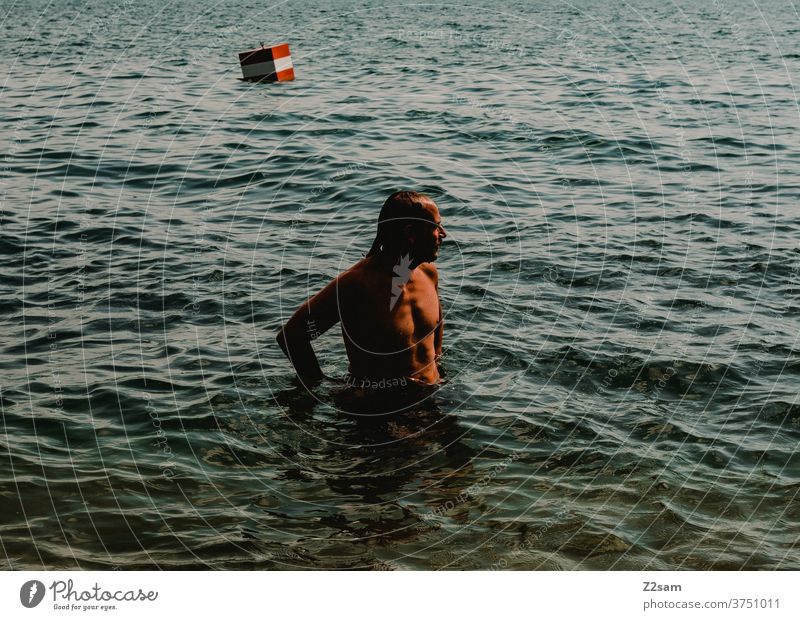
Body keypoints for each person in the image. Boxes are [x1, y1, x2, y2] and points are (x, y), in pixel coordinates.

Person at [276, 190, 447, 389]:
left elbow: (436, 329)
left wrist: (439, 374)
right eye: (436, 226)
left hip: (431, 395)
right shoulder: (357, 285)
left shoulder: (429, 274)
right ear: (410, 233)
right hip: (378, 409)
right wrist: (323, 384)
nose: (442, 234)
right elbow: (291, 337)